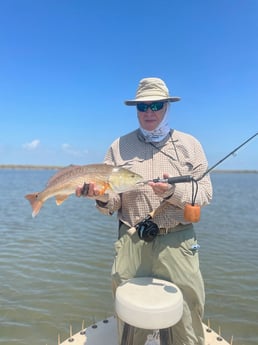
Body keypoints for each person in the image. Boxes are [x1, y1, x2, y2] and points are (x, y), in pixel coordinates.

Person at [76, 77, 213, 345]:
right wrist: (102, 196)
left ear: (167, 107)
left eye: (156, 105)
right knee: (130, 319)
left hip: (178, 241)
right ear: (136, 110)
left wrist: (173, 193)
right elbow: (113, 204)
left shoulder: (191, 145)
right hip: (131, 239)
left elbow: (205, 194)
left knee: (187, 316)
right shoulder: (118, 146)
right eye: (142, 107)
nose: (149, 112)